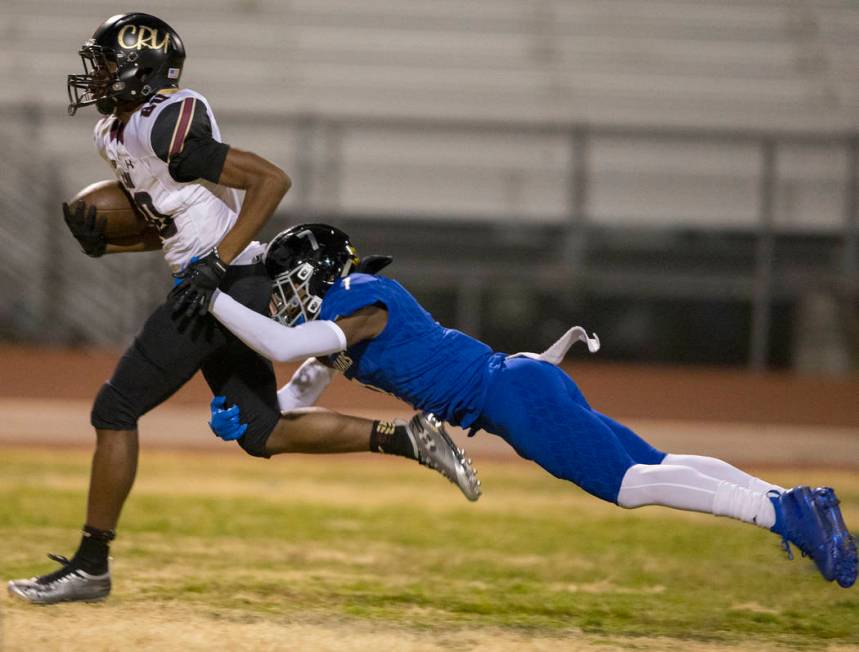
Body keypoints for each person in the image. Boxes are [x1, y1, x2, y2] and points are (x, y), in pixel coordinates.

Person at [7, 14, 477, 606]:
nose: (95, 76)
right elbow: (172, 218)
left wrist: (215, 265)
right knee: (262, 430)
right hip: (219, 281)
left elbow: (270, 182)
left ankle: (91, 565)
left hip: (223, 284)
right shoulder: (113, 132)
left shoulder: (164, 123)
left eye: (107, 64)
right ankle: (407, 439)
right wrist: (121, 238)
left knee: (116, 406)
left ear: (141, 71)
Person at [205, 223, 856, 589]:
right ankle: (794, 502)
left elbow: (281, 341)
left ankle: (783, 512)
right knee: (652, 463)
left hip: (509, 393)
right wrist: (248, 416)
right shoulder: (342, 327)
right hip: (515, 386)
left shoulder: (360, 304)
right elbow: (293, 392)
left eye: (286, 284)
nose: (279, 295)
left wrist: (207, 295)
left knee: (629, 485)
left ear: (314, 277)